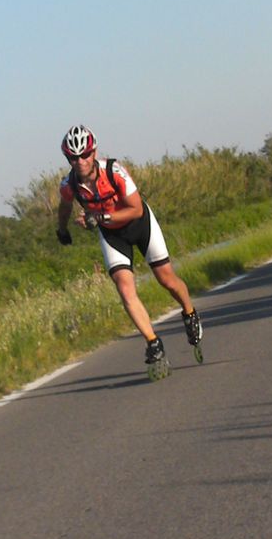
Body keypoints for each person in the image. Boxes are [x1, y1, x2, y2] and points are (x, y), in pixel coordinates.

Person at [56, 123, 202, 365]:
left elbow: (134, 209)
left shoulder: (114, 171)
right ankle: (153, 342)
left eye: (84, 154)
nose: (80, 161)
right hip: (113, 235)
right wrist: (61, 230)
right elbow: (64, 206)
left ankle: (189, 311)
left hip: (140, 224)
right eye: (73, 157)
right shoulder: (69, 184)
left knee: (166, 279)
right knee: (124, 288)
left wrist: (100, 217)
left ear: (94, 152)